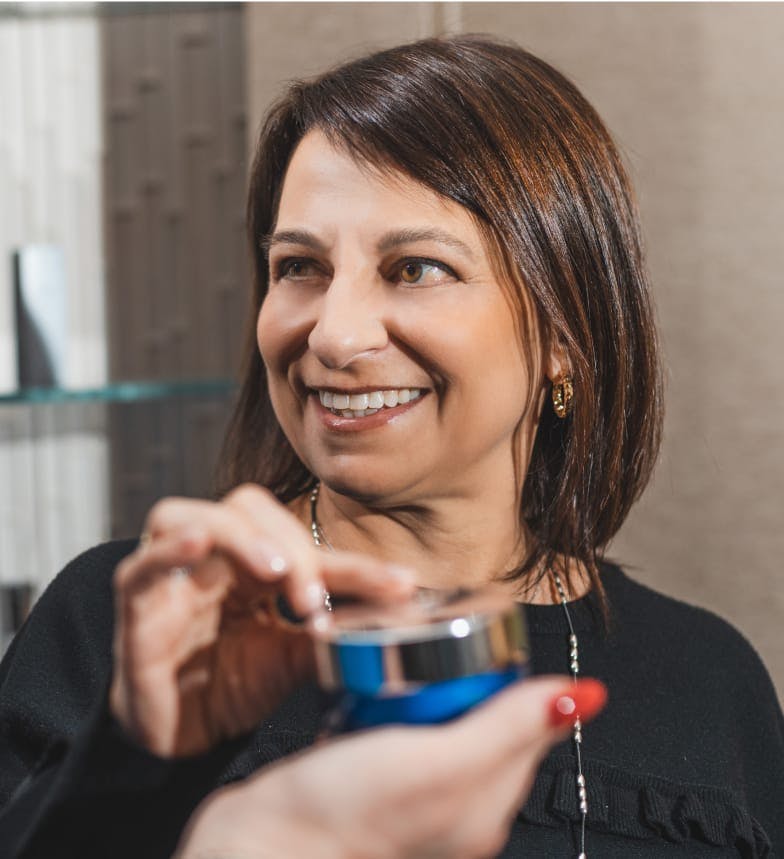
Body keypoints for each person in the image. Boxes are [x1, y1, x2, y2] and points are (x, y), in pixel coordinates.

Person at [1, 33, 782, 859]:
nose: (334, 334)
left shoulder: (711, 683)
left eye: (414, 268)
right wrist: (138, 770)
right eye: (299, 265)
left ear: (564, 332)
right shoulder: (126, 630)